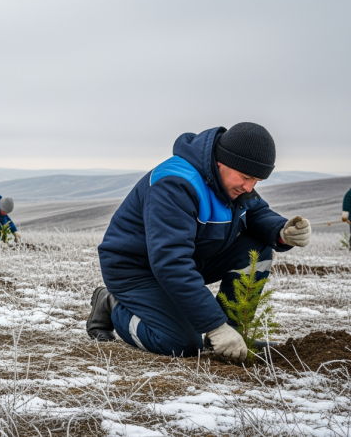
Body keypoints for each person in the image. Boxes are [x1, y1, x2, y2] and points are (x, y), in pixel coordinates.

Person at [89, 123, 311, 362]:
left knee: (258, 246)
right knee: (182, 343)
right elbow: (170, 262)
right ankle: (112, 305)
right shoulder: (175, 184)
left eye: (256, 181)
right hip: (134, 269)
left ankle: (233, 331)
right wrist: (214, 325)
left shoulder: (229, 181)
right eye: (246, 177)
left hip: (187, 261)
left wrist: (281, 231)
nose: (249, 187)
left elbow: (255, 213)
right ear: (221, 162)